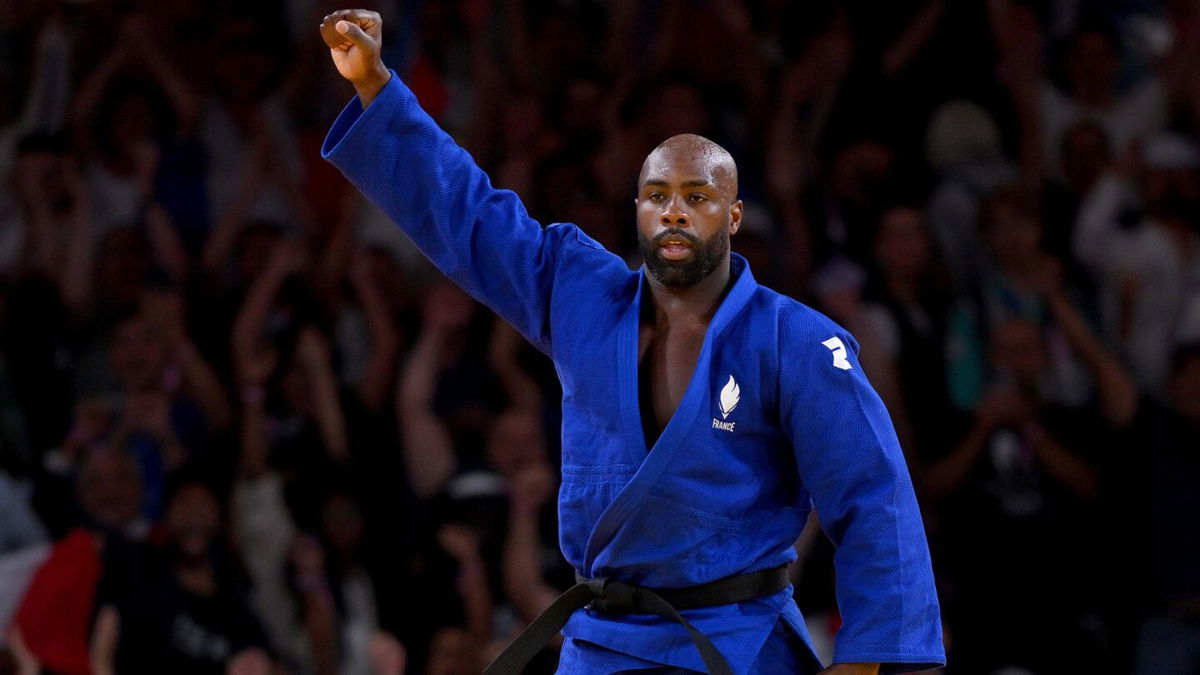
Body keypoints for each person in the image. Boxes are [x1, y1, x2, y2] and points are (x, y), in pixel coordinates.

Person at [317, 9, 943, 675]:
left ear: (732, 215)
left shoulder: (796, 340)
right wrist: (378, 89)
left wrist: (869, 661)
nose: (673, 210)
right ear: (638, 210)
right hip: (604, 645)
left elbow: (875, 496)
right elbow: (471, 216)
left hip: (733, 643)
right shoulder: (582, 294)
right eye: (656, 194)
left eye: (696, 196)